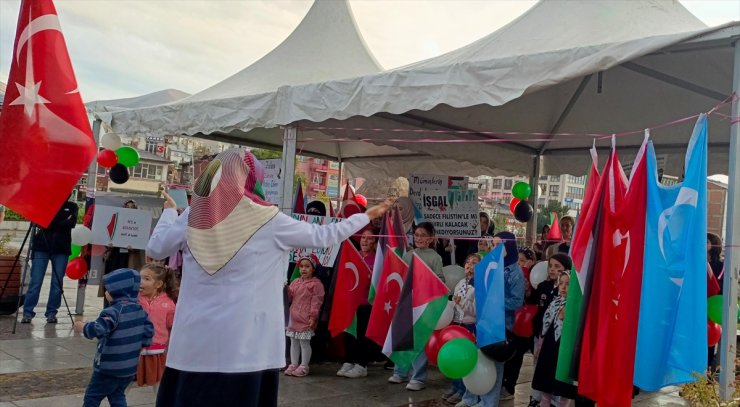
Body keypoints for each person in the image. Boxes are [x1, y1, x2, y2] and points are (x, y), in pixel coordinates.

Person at [146, 149, 390, 407]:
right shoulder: (268, 219)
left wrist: (169, 213)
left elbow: (155, 249)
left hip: (194, 343)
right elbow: (325, 236)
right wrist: (366, 216)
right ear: (254, 179)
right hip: (247, 343)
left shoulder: (192, 216)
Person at [458, 231, 525, 407]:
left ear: (509, 246)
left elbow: (517, 301)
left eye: (498, 245)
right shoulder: (491, 265)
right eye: (493, 245)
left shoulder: (515, 272)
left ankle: (489, 402)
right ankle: (471, 397)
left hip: (502, 326)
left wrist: (496, 301)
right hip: (484, 321)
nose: (494, 248)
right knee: (480, 358)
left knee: (495, 364)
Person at [74, 268, 154, 407]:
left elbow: (98, 328)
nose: (106, 292)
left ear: (118, 292)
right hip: (129, 367)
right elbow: (148, 332)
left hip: (109, 367)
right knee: (117, 394)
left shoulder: (114, 311)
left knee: (92, 396)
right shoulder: (141, 310)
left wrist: (82, 327)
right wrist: (140, 346)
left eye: (108, 289)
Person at [390, 222, 444, 391]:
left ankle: (418, 377)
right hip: (407, 302)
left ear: (430, 238)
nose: (419, 238)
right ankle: (400, 372)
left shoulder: (435, 257)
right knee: (403, 337)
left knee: (419, 340)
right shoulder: (409, 255)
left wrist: (427, 281)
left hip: (423, 304)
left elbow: (440, 280)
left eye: (423, 235)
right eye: (417, 235)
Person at [21, 198, 78, 323]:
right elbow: (39, 222)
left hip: (61, 249)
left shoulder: (72, 206)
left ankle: (51, 313)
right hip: (41, 246)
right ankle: (27, 313)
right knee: (35, 282)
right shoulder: (44, 204)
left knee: (57, 283)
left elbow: (70, 223)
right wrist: (60, 221)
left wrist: (50, 223)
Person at [531, 257, 577, 407]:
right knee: (546, 384)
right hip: (549, 347)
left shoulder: (575, 306)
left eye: (568, 284)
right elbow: (546, 325)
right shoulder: (554, 302)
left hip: (563, 350)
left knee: (562, 388)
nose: (563, 287)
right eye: (561, 283)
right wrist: (539, 346)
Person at [338, 228, 378, 378]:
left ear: (374, 243)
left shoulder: (375, 260)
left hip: (365, 303)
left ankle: (361, 365)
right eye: (363, 238)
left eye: (369, 239)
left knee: (362, 334)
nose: (365, 241)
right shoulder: (355, 256)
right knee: (349, 333)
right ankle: (349, 360)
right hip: (351, 302)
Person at [443, 253, 481, 405]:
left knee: (465, 360)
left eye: (474, 263)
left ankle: (464, 391)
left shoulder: (478, 285)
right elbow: (455, 301)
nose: (469, 266)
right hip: (457, 324)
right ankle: (456, 386)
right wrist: (453, 302)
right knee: (455, 357)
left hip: (469, 326)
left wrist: (463, 302)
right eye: (468, 262)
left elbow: (477, 310)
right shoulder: (460, 283)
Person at [503, 247, 538, 397]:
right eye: (517, 260)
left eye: (522, 261)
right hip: (516, 322)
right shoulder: (513, 274)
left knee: (521, 357)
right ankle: (507, 385)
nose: (519, 263)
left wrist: (529, 290)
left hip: (529, 324)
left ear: (530, 262)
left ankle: (513, 387)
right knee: (511, 356)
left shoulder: (536, 278)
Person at [137, 264, 177, 391]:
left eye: (146, 279)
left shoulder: (169, 304)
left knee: (158, 383)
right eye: (139, 277)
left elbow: (172, 326)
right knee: (126, 382)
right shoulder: (133, 299)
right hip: (135, 349)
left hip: (157, 351)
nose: (140, 282)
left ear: (158, 284)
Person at [285, 256, 325, 377]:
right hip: (294, 317)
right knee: (293, 341)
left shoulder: (316, 284)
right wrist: (286, 289)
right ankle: (294, 363)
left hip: (306, 318)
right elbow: (290, 297)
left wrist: (313, 317)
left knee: (304, 342)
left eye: (307, 266)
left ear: (313, 269)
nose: (303, 269)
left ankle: (304, 365)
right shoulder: (296, 282)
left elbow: (316, 302)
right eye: (301, 266)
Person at [101, 200, 146, 307]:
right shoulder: (116, 219)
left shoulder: (139, 223)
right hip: (114, 258)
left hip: (129, 260)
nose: (129, 209)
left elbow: (141, 243)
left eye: (132, 207)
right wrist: (110, 245)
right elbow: (107, 239)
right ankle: (108, 309)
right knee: (111, 284)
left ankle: (124, 309)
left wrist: (134, 247)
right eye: (127, 206)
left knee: (127, 285)